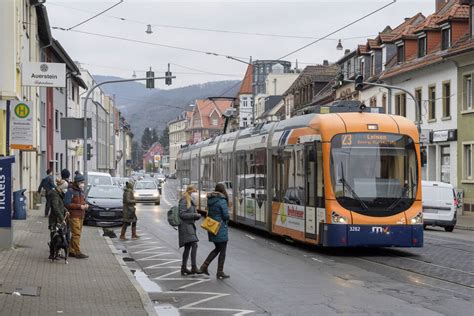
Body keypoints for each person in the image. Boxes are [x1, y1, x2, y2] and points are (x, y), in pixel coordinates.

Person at [199, 183, 230, 279]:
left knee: (218, 248)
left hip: (212, 227)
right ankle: (219, 271)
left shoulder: (210, 199)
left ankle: (205, 266)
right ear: (222, 190)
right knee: (222, 250)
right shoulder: (222, 200)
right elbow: (225, 216)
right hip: (220, 227)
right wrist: (227, 218)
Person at [178, 185, 202, 276]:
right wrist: (195, 215)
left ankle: (184, 268)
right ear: (190, 191)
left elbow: (189, 213)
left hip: (189, 225)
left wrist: (195, 216)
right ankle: (193, 267)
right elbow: (182, 214)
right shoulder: (184, 199)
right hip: (185, 226)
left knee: (188, 247)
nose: (194, 193)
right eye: (193, 191)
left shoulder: (189, 199)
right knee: (194, 244)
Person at [64, 173, 89, 259]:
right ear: (78, 182)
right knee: (76, 234)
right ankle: (77, 252)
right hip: (74, 216)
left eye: (83, 182)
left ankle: (71, 250)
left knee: (77, 234)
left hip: (81, 215)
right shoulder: (70, 191)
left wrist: (85, 204)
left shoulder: (81, 191)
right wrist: (79, 206)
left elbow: (83, 201)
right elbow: (66, 204)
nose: (83, 184)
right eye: (82, 182)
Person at [48, 179, 69, 260]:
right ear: (60, 187)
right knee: (54, 238)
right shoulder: (54, 195)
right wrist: (61, 218)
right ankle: (52, 254)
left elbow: (60, 206)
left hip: (58, 219)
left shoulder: (59, 194)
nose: (66, 190)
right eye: (65, 188)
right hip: (54, 220)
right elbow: (55, 208)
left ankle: (57, 254)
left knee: (59, 237)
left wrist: (66, 211)